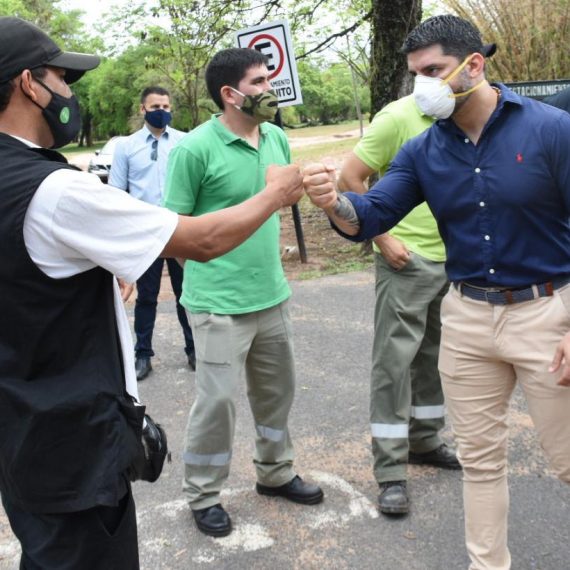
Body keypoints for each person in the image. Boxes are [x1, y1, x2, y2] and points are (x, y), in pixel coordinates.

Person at [0, 17, 304, 569]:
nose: (69, 93)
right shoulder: (55, 189)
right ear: (29, 84)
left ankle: (276, 469)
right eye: (62, 78)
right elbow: (200, 239)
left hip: (21, 428)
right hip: (71, 439)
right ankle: (205, 493)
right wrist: (277, 194)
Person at [303, 14, 570, 570]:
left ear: (474, 65)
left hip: (547, 312)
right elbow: (373, 213)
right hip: (467, 318)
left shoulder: (550, 130)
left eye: (433, 71)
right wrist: (333, 202)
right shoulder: (425, 149)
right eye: (415, 74)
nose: (422, 85)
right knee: (480, 463)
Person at [163, 48, 324, 538]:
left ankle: (275, 473)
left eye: (269, 78)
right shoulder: (194, 149)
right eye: (259, 82)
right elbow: (175, 232)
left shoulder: (276, 137)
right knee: (216, 404)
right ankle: (203, 494)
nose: (269, 89)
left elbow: (280, 204)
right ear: (230, 94)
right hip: (217, 304)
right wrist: (210, 277)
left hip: (271, 295)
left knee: (276, 396)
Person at [338, 92, 462, 515]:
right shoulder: (396, 117)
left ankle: (425, 440)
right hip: (405, 259)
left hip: (453, 260)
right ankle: (390, 469)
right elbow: (349, 178)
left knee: (433, 357)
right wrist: (384, 238)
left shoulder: (463, 116)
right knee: (393, 364)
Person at [109, 86, 195, 380]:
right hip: (145, 233)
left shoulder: (184, 142)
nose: (162, 111)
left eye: (166, 106)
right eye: (156, 106)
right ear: (142, 109)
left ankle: (194, 349)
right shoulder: (126, 146)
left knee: (186, 294)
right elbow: (117, 192)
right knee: (147, 297)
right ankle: (143, 355)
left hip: (178, 228)